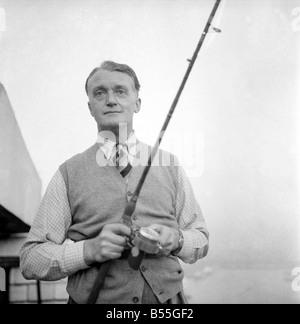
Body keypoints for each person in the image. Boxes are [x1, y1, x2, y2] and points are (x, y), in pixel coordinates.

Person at [20, 61, 209, 304]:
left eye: (120, 91)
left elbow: (201, 238)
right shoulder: (68, 173)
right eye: (100, 93)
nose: (111, 100)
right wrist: (89, 250)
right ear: (90, 107)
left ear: (137, 103)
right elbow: (30, 259)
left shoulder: (170, 164)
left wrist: (176, 239)